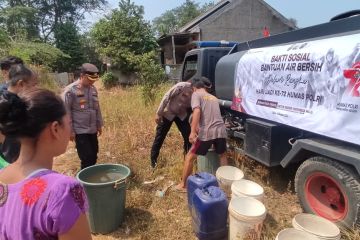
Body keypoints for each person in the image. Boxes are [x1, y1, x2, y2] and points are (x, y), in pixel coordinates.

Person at [0, 88, 92, 239]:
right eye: (69, 123)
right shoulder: (61, 191)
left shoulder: (2, 179)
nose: (71, 130)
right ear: (55, 129)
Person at [176, 77, 228, 191]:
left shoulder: (196, 94)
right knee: (222, 155)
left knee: (190, 157)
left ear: (194, 88)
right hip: (221, 130)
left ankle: (183, 185)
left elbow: (197, 111)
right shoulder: (214, 98)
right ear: (204, 87)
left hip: (207, 132)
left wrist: (193, 131)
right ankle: (225, 184)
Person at [64, 63, 103, 170]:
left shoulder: (93, 89)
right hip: (80, 130)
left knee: (94, 155)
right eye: (90, 79)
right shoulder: (71, 90)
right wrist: (70, 131)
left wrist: (99, 124)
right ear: (82, 75)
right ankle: (84, 183)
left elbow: (97, 109)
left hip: (92, 129)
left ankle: (90, 178)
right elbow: (66, 112)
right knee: (86, 158)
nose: (93, 81)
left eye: (94, 79)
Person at [150, 80, 193, 168]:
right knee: (160, 137)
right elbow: (166, 97)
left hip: (181, 114)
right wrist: (159, 113)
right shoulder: (181, 86)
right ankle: (153, 163)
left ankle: (187, 160)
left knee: (188, 136)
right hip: (169, 112)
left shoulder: (197, 94)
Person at [0, 64, 38, 163]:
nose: (34, 89)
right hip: (13, 153)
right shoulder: (11, 102)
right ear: (21, 84)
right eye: (33, 85)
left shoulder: (7, 98)